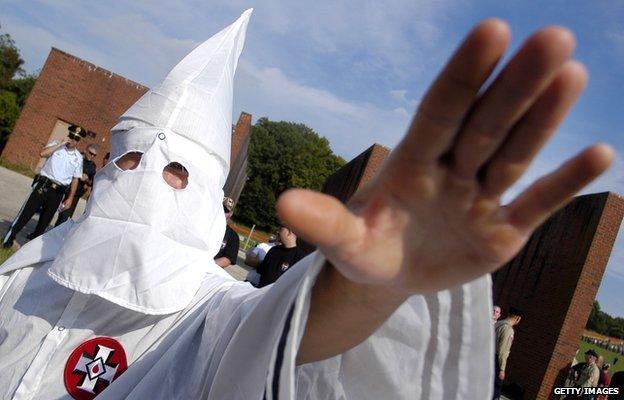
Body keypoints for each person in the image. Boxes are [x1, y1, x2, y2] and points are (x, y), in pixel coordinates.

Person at [0, 12, 615, 400]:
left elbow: (286, 344)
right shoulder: (25, 270)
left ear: (209, 196)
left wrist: (364, 290)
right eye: (127, 159)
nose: (141, 177)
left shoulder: (210, 314)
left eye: (175, 171)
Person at [2, 125, 84, 248]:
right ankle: (8, 239)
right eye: (71, 136)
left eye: (76, 138)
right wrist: (60, 144)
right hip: (43, 186)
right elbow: (42, 153)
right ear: (68, 135)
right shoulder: (56, 145)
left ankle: (30, 249)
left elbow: (75, 179)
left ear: (78, 141)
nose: (72, 140)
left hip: (58, 193)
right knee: (25, 214)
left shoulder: (78, 158)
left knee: (44, 222)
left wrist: (70, 198)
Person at [54, 143, 99, 226]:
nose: (91, 156)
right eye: (90, 153)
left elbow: (92, 182)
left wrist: (86, 180)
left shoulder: (92, 166)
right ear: (86, 150)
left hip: (75, 195)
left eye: (94, 155)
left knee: (64, 218)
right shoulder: (76, 158)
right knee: (50, 211)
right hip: (63, 189)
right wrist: (77, 174)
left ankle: (54, 235)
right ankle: (37, 233)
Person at [494, 307, 523, 399]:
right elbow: (503, 351)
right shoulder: (508, 330)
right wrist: (502, 369)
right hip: (496, 361)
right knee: (495, 392)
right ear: (518, 318)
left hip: (488, 357)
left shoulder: (497, 323)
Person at [214, 197, 240, 268]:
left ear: (230, 214)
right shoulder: (201, 223)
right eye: (220, 208)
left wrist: (205, 265)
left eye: (225, 210)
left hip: (209, 272)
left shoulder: (233, 236)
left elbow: (227, 259)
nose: (221, 212)